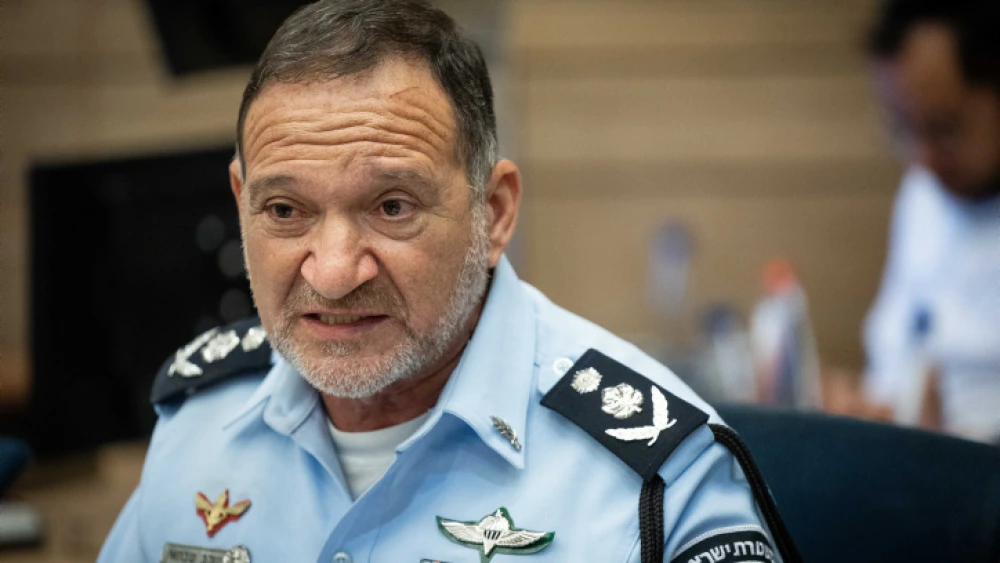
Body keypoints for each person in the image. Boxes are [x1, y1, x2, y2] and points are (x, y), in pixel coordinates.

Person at [98, 2, 794, 561]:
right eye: (285, 210)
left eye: (392, 206)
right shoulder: (198, 420)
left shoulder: (658, 477)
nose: (335, 272)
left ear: (493, 213)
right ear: (240, 201)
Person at [863, 0, 1000, 442]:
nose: (922, 159)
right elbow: (893, 358)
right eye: (904, 130)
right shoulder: (924, 194)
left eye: (944, 129)